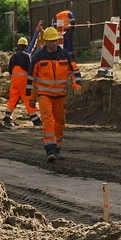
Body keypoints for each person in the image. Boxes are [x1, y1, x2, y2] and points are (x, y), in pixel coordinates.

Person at [27, 27, 82, 162]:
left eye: (56, 40)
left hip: (60, 96)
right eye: (51, 41)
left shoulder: (65, 55)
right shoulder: (38, 58)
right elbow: (31, 79)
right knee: (48, 120)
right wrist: (32, 98)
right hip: (44, 95)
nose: (54, 43)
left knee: (60, 122)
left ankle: (57, 148)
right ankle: (50, 150)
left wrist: (77, 85)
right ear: (46, 41)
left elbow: (75, 72)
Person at [3, 37, 42, 128]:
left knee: (13, 99)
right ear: (25, 46)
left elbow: (10, 70)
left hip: (14, 81)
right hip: (23, 82)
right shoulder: (26, 56)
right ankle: (35, 119)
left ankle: (7, 116)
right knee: (28, 99)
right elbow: (30, 69)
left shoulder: (13, 56)